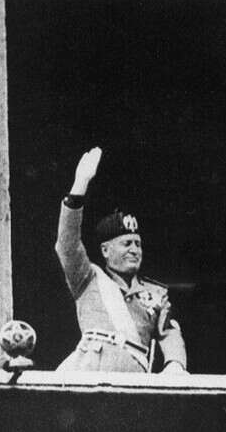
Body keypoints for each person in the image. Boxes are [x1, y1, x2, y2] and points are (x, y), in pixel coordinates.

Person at [55, 147, 187, 373]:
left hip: (131, 373)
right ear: (106, 250)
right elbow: (67, 245)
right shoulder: (87, 278)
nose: (134, 250)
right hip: (89, 368)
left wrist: (175, 364)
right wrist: (78, 189)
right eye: (126, 244)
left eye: (138, 244)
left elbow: (170, 332)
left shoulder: (156, 295)